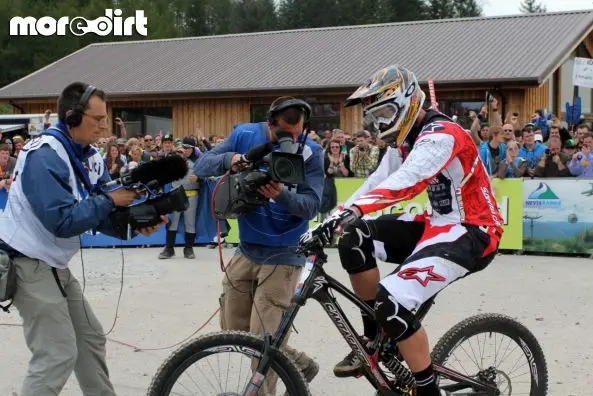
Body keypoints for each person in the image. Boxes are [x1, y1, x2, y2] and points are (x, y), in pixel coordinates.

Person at [310, 65, 503, 396]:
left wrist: (353, 210)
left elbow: (407, 182)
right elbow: (378, 181)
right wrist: (334, 217)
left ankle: (427, 391)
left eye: (387, 112)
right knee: (355, 237)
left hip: (474, 230)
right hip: (438, 225)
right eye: (377, 116)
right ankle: (374, 340)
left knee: (392, 299)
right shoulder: (405, 142)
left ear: (410, 101)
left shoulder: (443, 133)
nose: (383, 124)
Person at [0, 82, 163, 396]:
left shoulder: (89, 155)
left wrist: (136, 222)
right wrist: (112, 200)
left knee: (89, 339)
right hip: (27, 263)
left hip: (50, 264)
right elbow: (62, 221)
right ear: (72, 117)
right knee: (56, 354)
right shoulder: (44, 154)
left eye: (105, 119)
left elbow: (102, 208)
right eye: (97, 119)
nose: (104, 127)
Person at [194, 96, 323, 394]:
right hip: (247, 249)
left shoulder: (312, 153)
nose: (290, 140)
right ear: (269, 124)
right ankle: (298, 362)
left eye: (296, 135)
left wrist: (281, 195)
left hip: (285, 254)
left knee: (263, 346)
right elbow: (202, 165)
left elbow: (311, 206)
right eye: (283, 134)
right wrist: (232, 160)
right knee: (233, 333)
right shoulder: (244, 135)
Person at [159, 137, 202, 259]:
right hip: (175, 194)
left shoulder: (199, 161)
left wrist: (199, 179)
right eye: (184, 147)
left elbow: (206, 176)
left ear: (193, 149)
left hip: (192, 195)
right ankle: (169, 248)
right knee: (172, 222)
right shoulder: (175, 158)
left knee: (190, 223)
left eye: (188, 148)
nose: (186, 150)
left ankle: (188, 248)